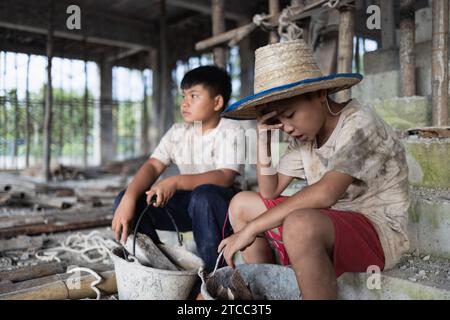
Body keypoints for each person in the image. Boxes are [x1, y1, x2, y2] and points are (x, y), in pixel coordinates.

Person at [218, 40, 410, 299]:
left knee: (299, 224)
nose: (285, 127)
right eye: (277, 120)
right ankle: (271, 289)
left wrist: (251, 229)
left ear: (320, 95)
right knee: (241, 203)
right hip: (330, 220)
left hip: (379, 231)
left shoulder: (359, 124)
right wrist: (263, 136)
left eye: (290, 114)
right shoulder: (303, 137)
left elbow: (326, 194)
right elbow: (269, 189)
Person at [112, 65, 244, 272]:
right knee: (127, 199)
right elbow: (153, 165)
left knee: (204, 196)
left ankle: (215, 277)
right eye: (184, 95)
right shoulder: (177, 133)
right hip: (189, 204)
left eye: (194, 96)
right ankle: (159, 269)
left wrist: (174, 181)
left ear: (217, 102)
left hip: (221, 206)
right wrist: (128, 198)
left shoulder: (230, 130)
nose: (185, 103)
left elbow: (225, 176)